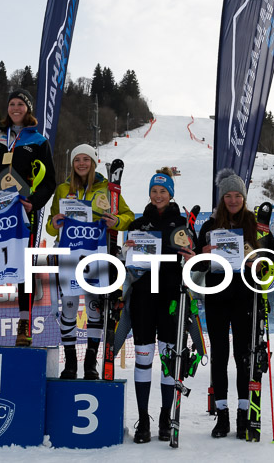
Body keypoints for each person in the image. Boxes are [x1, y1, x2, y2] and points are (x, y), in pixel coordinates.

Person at [182, 168, 274, 439]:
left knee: (243, 357)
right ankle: (222, 416)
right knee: (219, 356)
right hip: (217, 296)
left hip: (245, 296)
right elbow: (196, 265)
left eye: (238, 195)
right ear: (222, 198)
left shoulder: (255, 224)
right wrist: (201, 253)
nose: (234, 200)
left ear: (244, 197)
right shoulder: (211, 226)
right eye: (228, 195)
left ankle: (243, 415)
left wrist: (260, 261)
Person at [0, 89, 56, 347]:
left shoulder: (38, 141)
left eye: (21, 104)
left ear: (28, 109)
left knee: (24, 266)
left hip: (21, 213)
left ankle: (24, 324)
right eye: (12, 104)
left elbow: (50, 182)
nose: (16, 108)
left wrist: (33, 203)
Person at [46, 144, 134, 379]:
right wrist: (54, 223)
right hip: (69, 253)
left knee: (95, 308)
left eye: (86, 159)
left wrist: (116, 220)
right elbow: (50, 226)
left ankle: (91, 363)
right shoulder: (64, 189)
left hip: (97, 253)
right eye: (78, 159)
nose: (82, 163)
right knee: (70, 307)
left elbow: (128, 217)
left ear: (94, 162)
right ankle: (71, 362)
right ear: (73, 163)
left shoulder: (107, 189)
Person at [122, 167, 185, 443]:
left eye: (163, 191)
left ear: (171, 194)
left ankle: (165, 417)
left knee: (170, 360)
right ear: (149, 193)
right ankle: (143, 418)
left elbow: (191, 261)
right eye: (154, 191)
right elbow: (128, 263)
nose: (158, 195)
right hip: (144, 297)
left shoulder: (181, 223)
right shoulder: (138, 224)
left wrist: (191, 255)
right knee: (144, 357)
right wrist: (126, 251)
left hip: (171, 296)